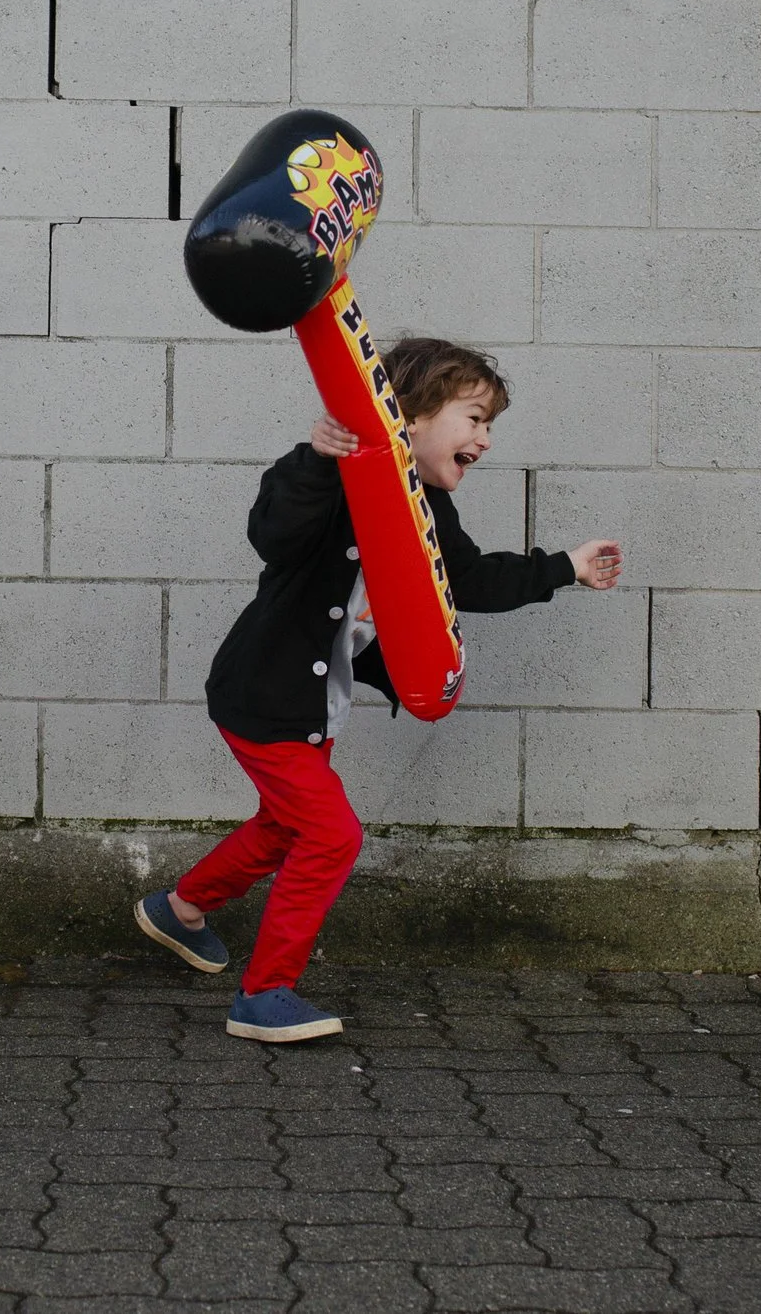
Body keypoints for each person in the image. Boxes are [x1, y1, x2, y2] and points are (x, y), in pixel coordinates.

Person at [134, 338, 624, 1042]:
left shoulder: (422, 501)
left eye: (490, 426)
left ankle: (176, 910)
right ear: (414, 415)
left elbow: (469, 579)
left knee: (283, 827)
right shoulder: (333, 477)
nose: (485, 440)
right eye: (476, 419)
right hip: (263, 697)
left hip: (310, 704)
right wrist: (318, 458)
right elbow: (271, 532)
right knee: (331, 836)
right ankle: (264, 993)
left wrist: (564, 569)